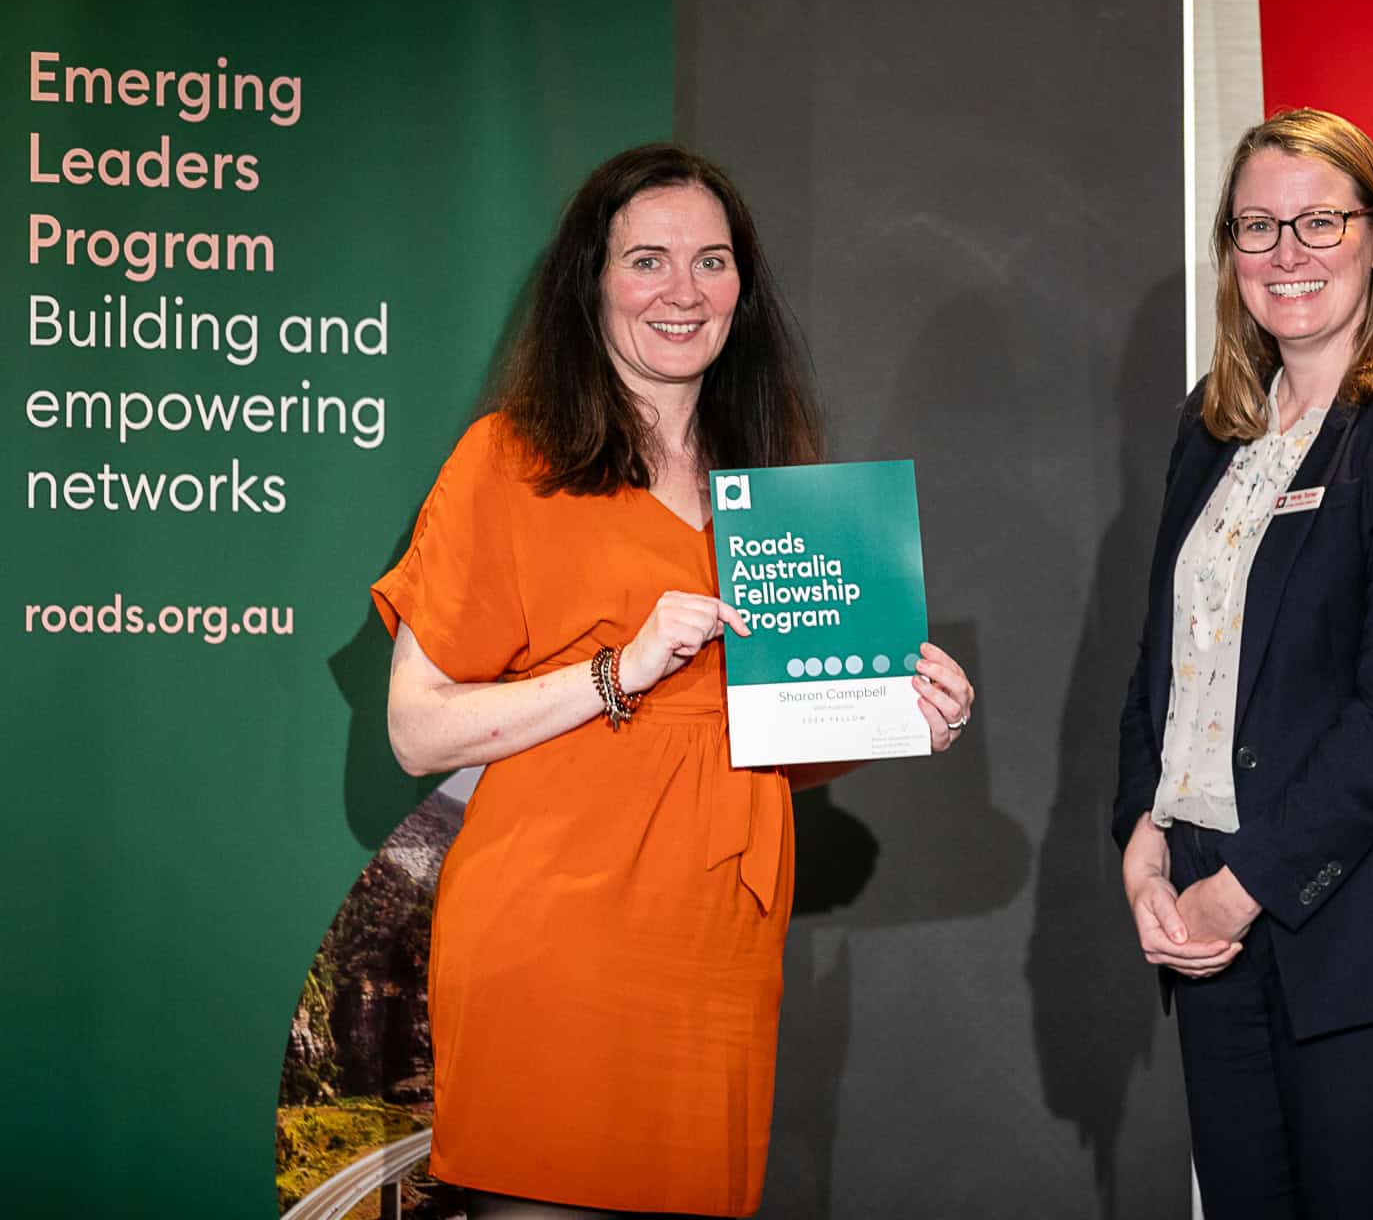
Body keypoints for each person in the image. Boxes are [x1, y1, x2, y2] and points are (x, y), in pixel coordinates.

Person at [373, 145, 975, 1219]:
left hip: (715, 952)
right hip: (551, 942)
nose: (682, 291)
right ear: (592, 282)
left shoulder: (779, 496)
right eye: (647, 259)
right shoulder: (509, 461)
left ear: (744, 287)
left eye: (712, 261)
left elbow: (763, 737)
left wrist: (902, 712)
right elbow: (417, 730)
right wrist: (621, 669)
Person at [1113, 108, 1373, 1217]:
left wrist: (1240, 890)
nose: (1287, 253)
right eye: (1258, 226)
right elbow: (1166, 659)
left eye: (1319, 222)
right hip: (1215, 929)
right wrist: (1143, 837)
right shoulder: (1211, 429)